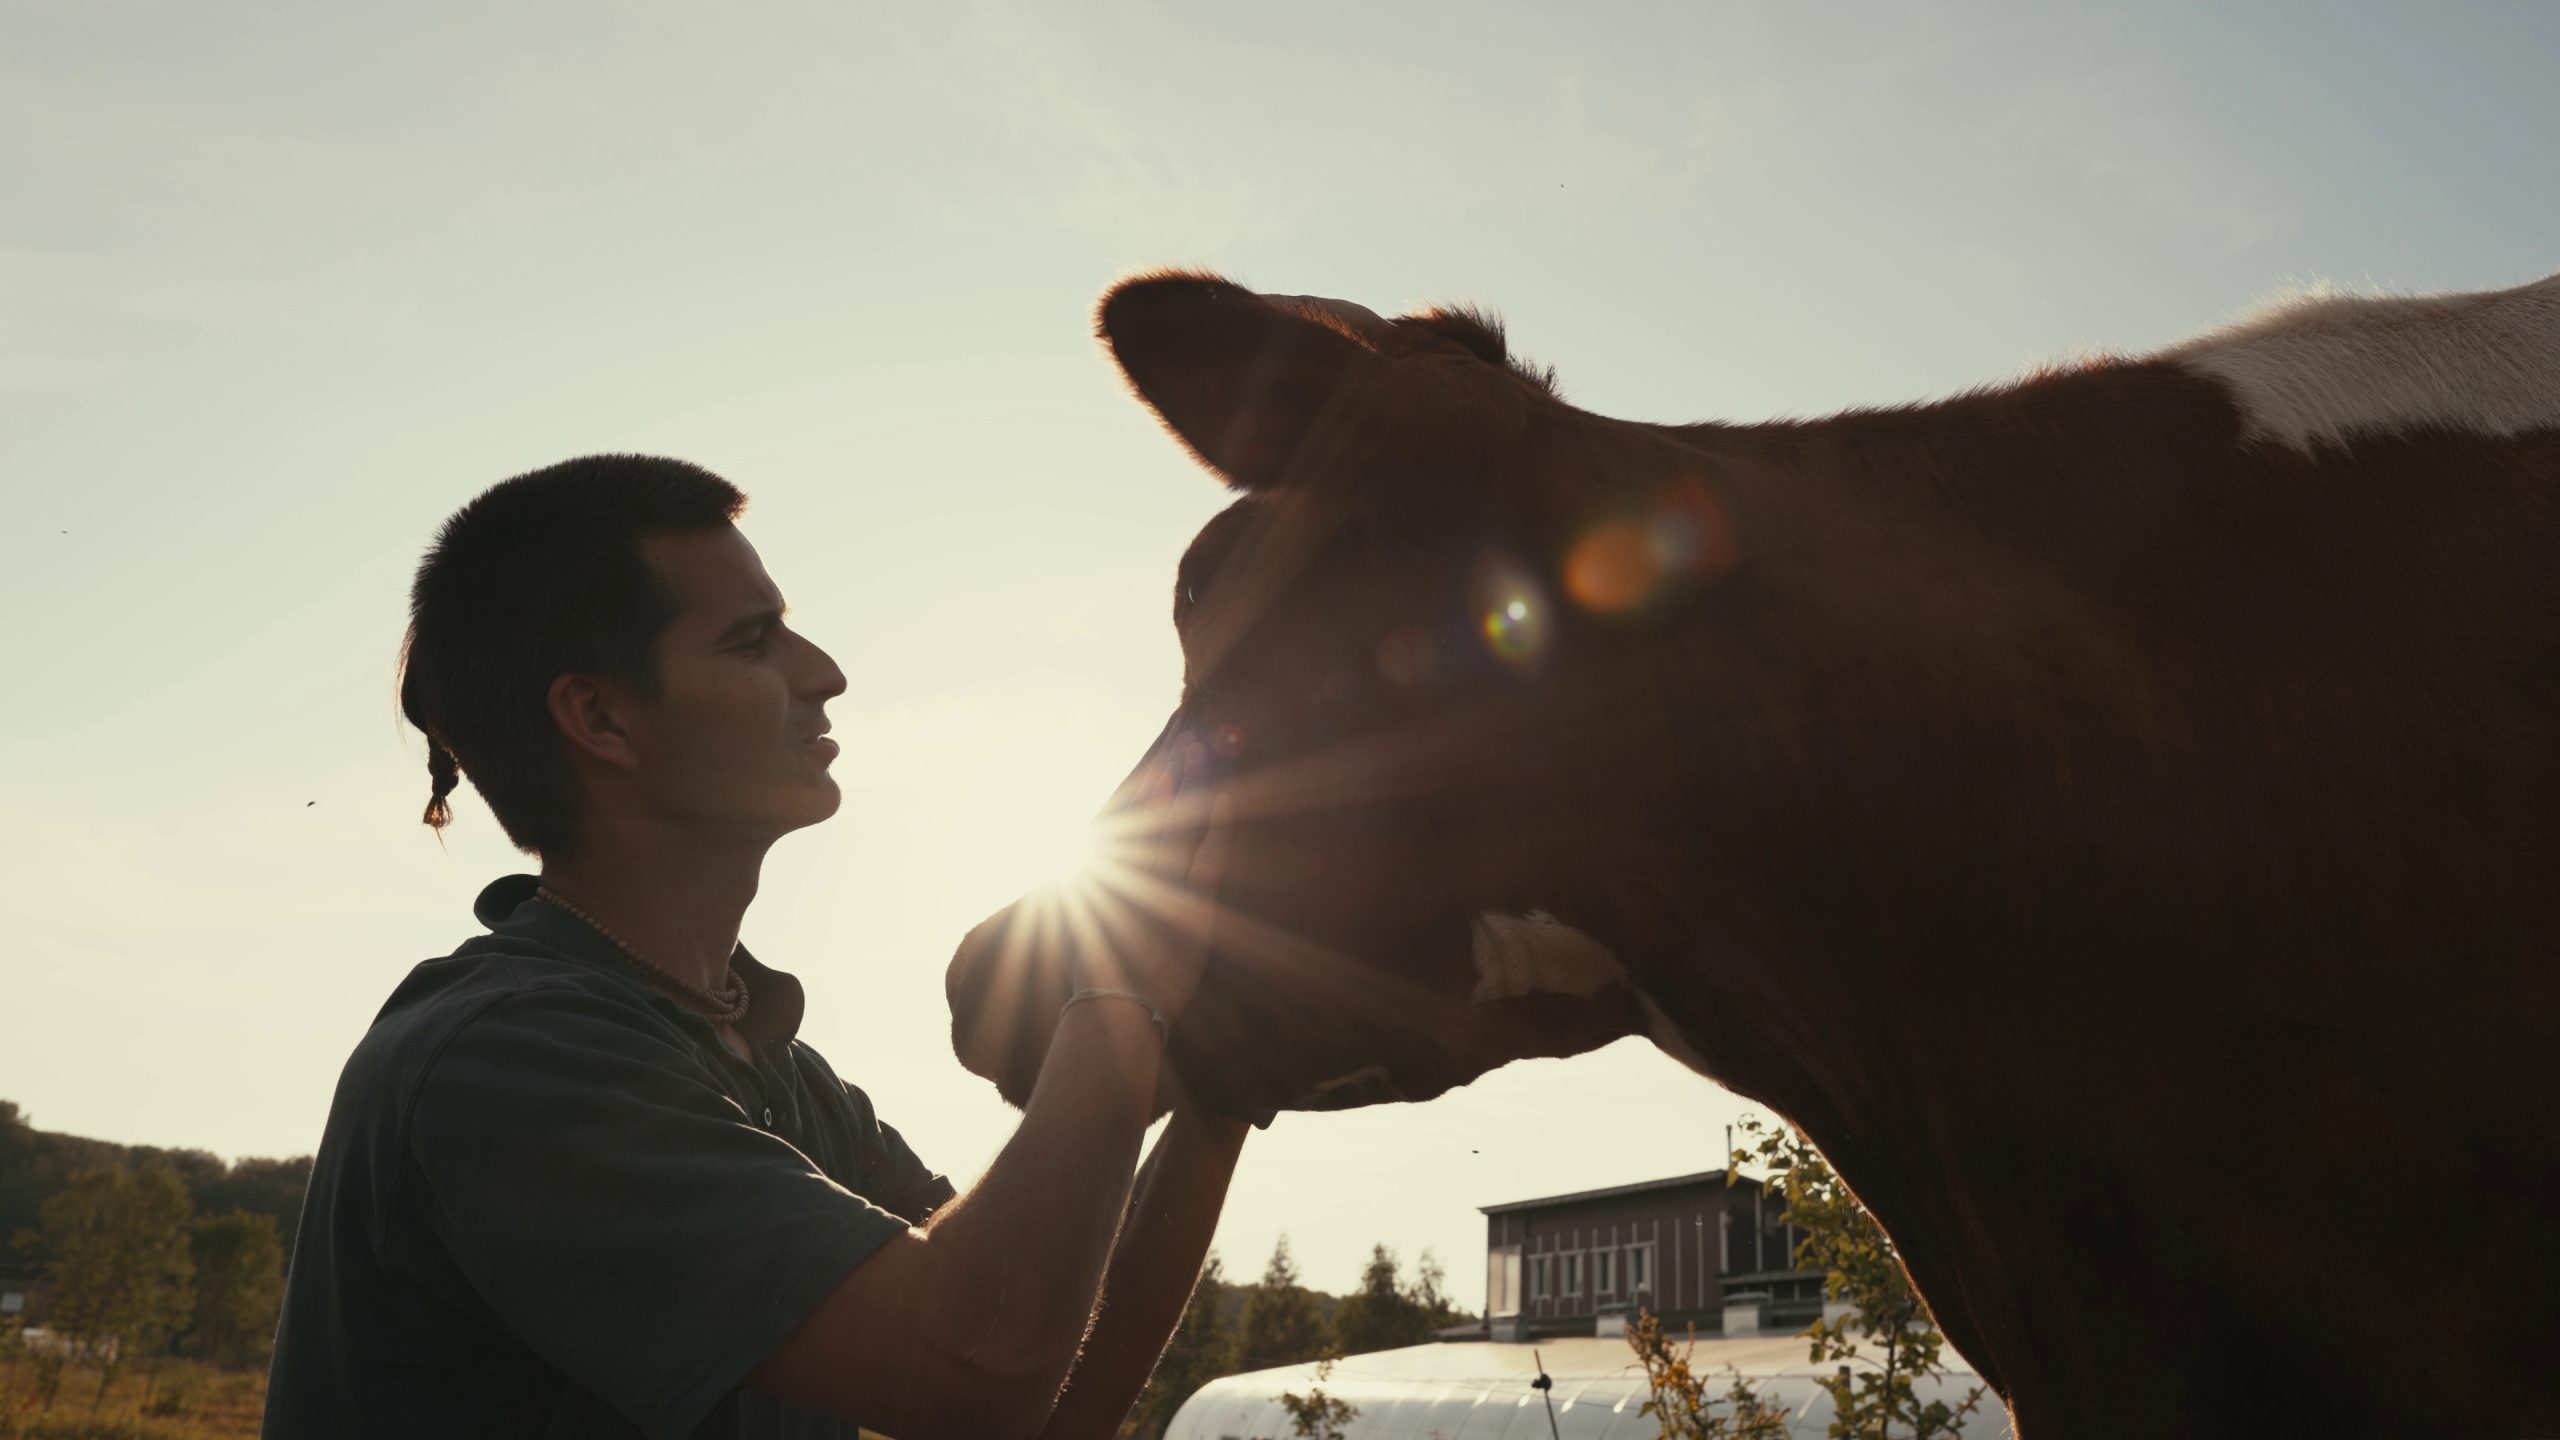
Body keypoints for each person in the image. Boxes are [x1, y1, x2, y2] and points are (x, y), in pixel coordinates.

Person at [264, 454, 1244, 1440]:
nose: (825, 672)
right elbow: (980, 1360)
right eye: (751, 642)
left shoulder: (783, 1079)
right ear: (600, 716)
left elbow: (1050, 1377)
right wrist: (1120, 991)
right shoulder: (507, 1060)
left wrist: (1231, 1084)